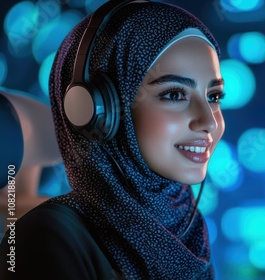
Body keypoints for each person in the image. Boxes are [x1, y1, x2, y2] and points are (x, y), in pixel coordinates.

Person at [0, 0, 225, 279]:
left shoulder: (186, 227)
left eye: (214, 96)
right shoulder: (48, 236)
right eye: (174, 95)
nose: (210, 121)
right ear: (97, 111)